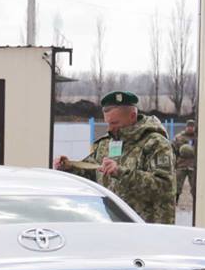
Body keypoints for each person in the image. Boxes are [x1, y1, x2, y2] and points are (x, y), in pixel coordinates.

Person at [57, 90, 179, 224]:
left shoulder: (155, 143)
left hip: (146, 228)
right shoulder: (106, 143)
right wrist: (69, 167)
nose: (109, 128)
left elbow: (164, 187)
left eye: (114, 123)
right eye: (107, 123)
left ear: (132, 116)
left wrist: (120, 172)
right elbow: (92, 172)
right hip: (113, 226)